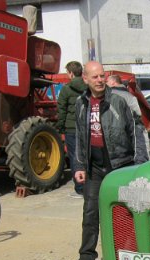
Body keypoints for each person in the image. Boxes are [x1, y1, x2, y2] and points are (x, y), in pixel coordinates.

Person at [63, 61, 143, 260]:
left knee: (124, 214)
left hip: (120, 166)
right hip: (94, 167)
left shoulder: (119, 101)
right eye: (95, 77)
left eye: (102, 76)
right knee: (90, 213)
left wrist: (139, 164)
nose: (99, 80)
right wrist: (79, 165)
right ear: (85, 79)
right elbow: (80, 136)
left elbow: (136, 131)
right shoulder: (81, 103)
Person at [55, 60, 86, 197]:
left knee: (74, 157)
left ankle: (79, 187)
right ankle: (90, 185)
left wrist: (60, 127)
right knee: (86, 155)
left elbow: (61, 110)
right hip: (85, 127)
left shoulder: (66, 89)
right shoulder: (88, 87)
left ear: (71, 73)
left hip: (71, 128)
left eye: (67, 72)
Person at [106, 74, 149, 162]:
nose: (105, 83)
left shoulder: (108, 95)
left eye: (107, 81)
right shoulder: (129, 95)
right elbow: (138, 113)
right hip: (129, 135)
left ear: (113, 82)